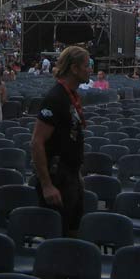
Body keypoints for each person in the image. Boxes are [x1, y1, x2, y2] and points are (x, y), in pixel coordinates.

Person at [31, 46, 88, 237]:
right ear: (74, 68)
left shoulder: (69, 97)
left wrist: (76, 172)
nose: (90, 70)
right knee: (57, 237)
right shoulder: (55, 98)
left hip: (70, 177)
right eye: (87, 65)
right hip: (57, 180)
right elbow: (37, 142)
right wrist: (47, 185)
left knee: (72, 233)